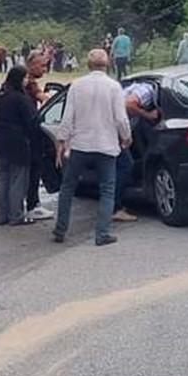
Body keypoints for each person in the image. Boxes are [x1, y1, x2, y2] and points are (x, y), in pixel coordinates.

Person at [52, 49, 131, 246]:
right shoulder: (114, 87)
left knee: (68, 187)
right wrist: (126, 137)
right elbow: (121, 118)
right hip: (106, 146)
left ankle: (60, 229)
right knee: (107, 190)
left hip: (80, 145)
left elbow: (67, 117)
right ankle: (102, 233)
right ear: (108, 64)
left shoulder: (77, 85)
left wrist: (62, 140)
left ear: (88, 65)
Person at [0, 66, 39, 226]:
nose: (26, 81)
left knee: (1, 179)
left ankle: (1, 216)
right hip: (17, 143)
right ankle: (16, 215)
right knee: (18, 180)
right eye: (25, 78)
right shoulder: (20, 98)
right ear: (19, 79)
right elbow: (32, 120)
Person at [114, 80, 160, 223]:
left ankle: (114, 204)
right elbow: (128, 104)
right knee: (125, 165)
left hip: (109, 129)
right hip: (113, 131)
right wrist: (148, 115)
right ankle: (115, 208)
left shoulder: (133, 88)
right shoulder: (147, 90)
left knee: (118, 166)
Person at [21, 50, 55, 221]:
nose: (44, 69)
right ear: (31, 64)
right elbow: (43, 99)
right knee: (34, 167)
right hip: (28, 131)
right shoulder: (29, 82)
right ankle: (33, 204)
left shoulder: (23, 80)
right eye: (42, 65)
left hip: (19, 130)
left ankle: (18, 205)